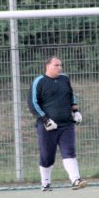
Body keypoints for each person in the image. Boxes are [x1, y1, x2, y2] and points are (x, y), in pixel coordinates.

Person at [28, 56, 87, 191]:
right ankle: (46, 183)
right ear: (47, 66)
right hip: (47, 127)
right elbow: (32, 103)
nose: (60, 67)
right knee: (47, 155)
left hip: (66, 124)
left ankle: (76, 180)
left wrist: (76, 111)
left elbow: (71, 95)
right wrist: (45, 120)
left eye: (60, 65)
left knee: (69, 151)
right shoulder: (39, 81)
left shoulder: (64, 79)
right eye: (56, 65)